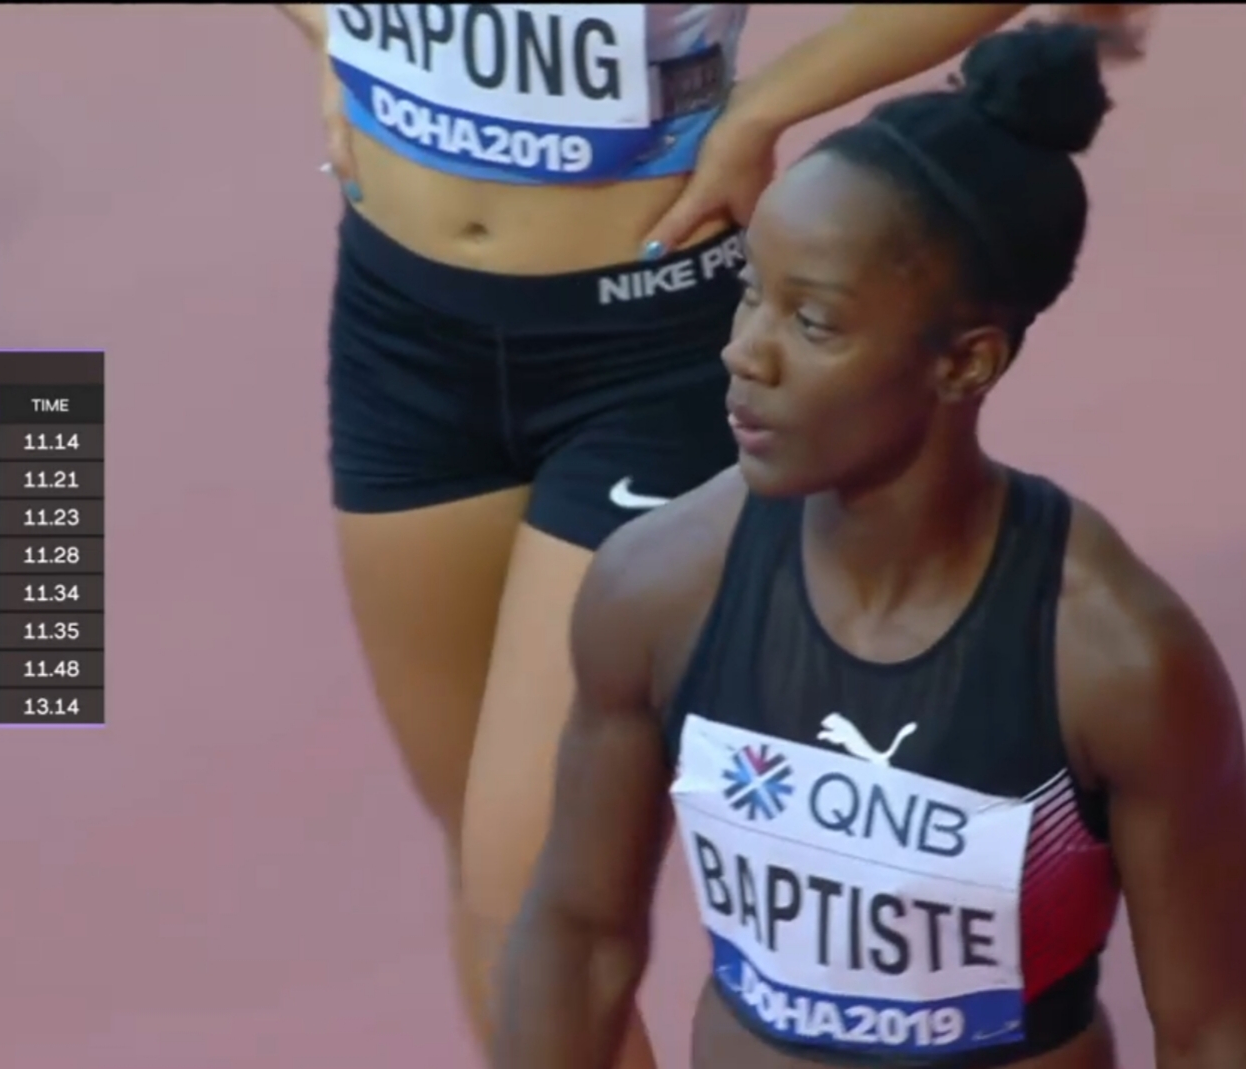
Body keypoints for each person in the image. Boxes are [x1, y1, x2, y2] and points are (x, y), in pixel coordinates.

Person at [273, 5, 1062, 1066]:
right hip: (400, 324)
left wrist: (772, 101)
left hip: (640, 344)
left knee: (526, 888)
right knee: (480, 856)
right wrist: (335, 31)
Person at [492, 21, 1246, 1069]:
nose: (743, 353)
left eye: (813, 323)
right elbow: (578, 938)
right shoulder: (661, 584)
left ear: (965, 363)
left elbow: (1210, 1028)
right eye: (752, 293)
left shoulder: (1114, 659)